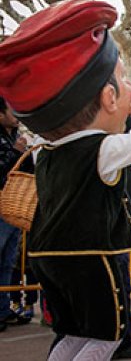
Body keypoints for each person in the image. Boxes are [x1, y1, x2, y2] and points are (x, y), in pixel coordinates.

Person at [0, 0, 131, 359]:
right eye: (125, 80)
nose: (130, 89)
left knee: (70, 334)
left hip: (47, 257)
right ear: (108, 97)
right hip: (92, 257)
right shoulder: (100, 149)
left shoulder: (45, 151)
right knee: (105, 338)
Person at [0, 96, 30, 332]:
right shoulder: (6, 141)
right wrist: (15, 151)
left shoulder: (14, 136)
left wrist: (25, 152)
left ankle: (3, 308)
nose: (17, 115)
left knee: (8, 262)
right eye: (12, 110)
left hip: (13, 206)